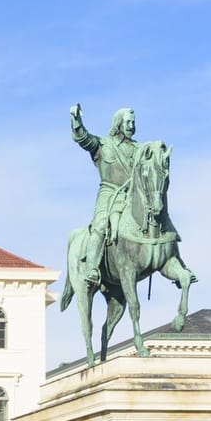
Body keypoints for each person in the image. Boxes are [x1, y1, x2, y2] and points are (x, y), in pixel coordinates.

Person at [70, 103, 140, 286]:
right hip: (109, 192)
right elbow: (83, 138)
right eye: (128, 122)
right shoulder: (103, 144)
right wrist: (76, 121)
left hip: (131, 195)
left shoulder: (139, 149)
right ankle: (93, 268)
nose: (131, 126)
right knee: (100, 225)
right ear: (119, 124)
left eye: (133, 123)